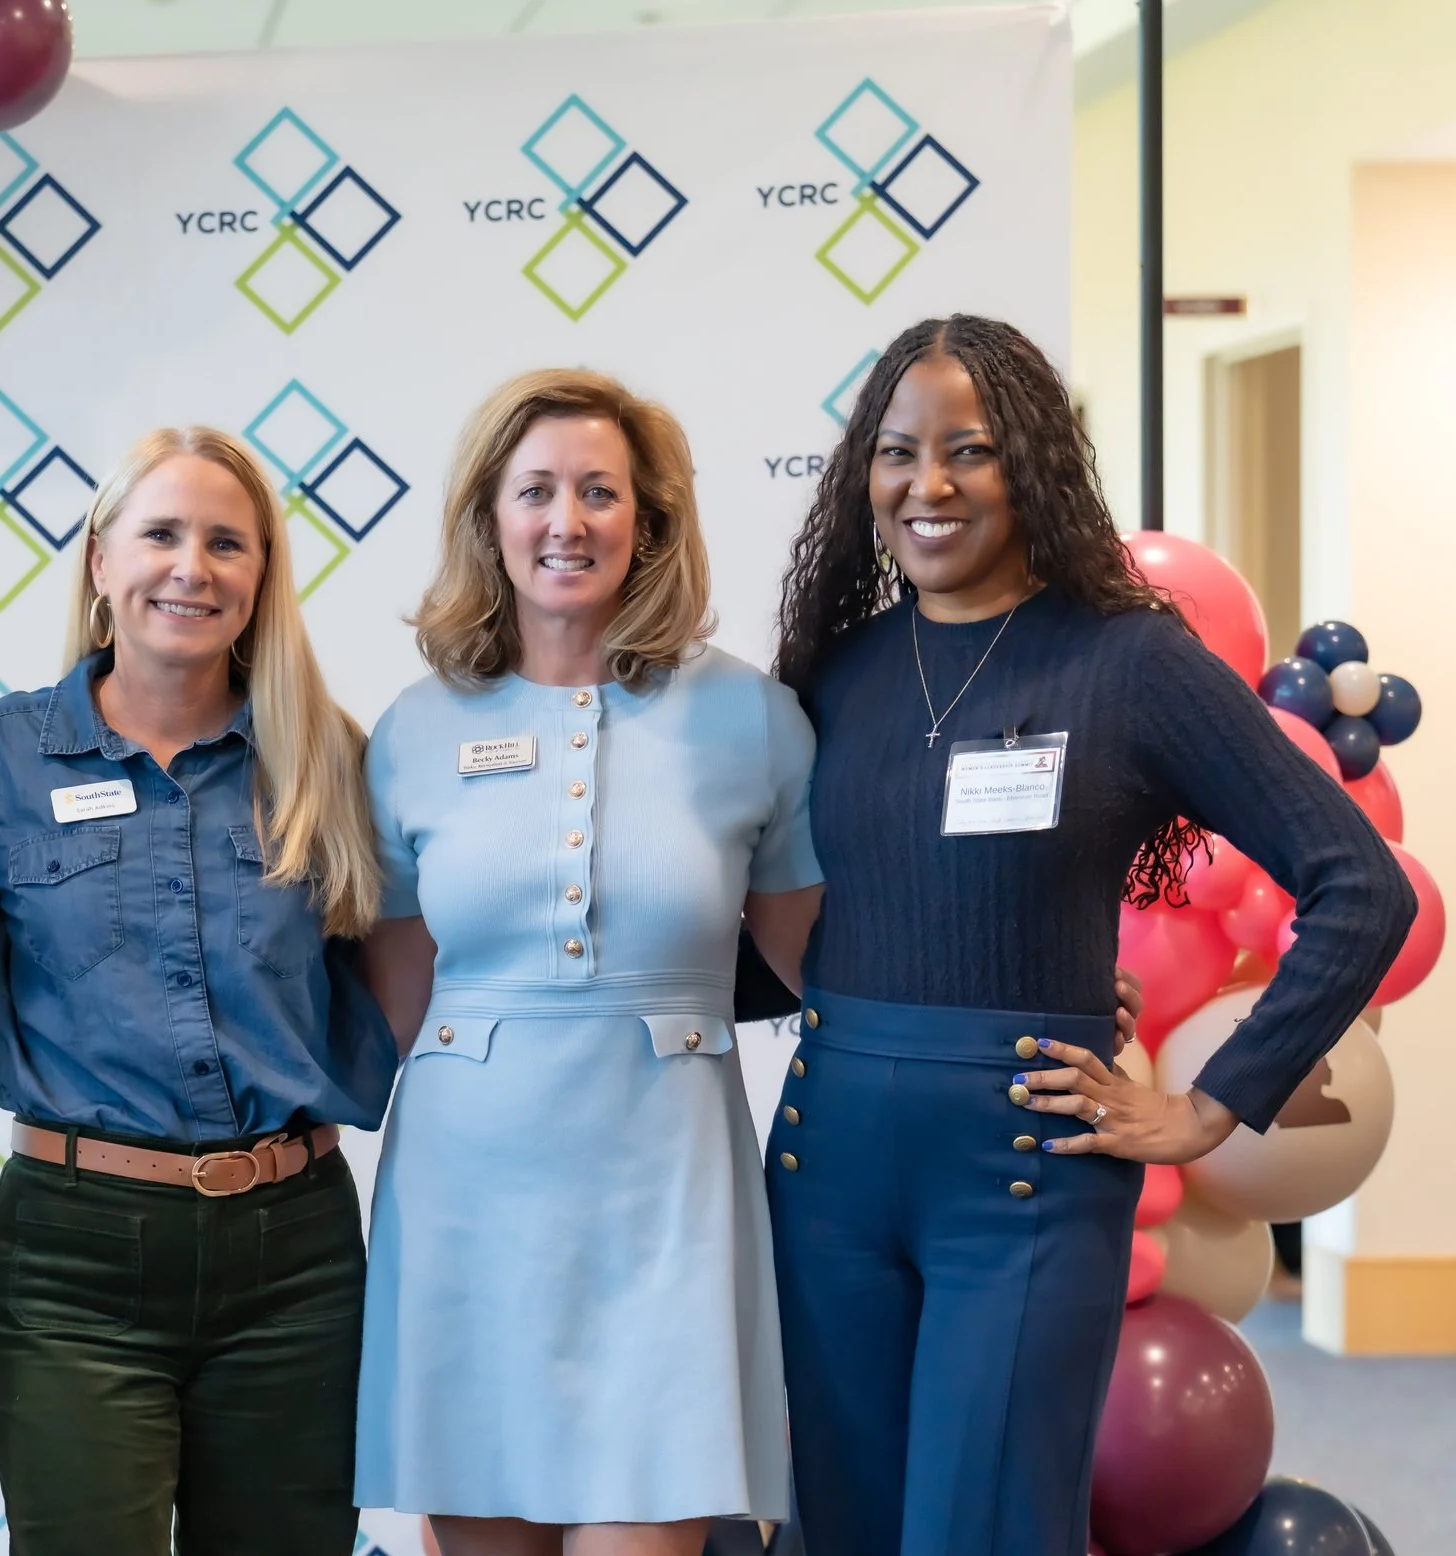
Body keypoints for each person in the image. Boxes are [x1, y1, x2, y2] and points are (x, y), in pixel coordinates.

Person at [768, 314, 1416, 1556]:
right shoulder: (834, 668)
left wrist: (1210, 1102)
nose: (929, 484)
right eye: (897, 452)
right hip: (825, 1169)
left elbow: (1359, 886)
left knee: (986, 1529)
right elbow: (816, 918)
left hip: (1021, 1171)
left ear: (1037, 466)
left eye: (972, 449)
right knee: (839, 1529)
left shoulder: (1130, 662)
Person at [351, 369, 818, 1556]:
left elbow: (828, 968)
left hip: (666, 1196)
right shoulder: (412, 730)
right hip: (465, 1198)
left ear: (648, 522)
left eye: (600, 491)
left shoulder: (754, 720)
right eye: (537, 490)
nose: (567, 520)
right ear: (488, 520)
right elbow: (388, 1006)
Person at [0, 426, 395, 1556]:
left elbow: (385, 978)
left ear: (260, 577)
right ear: (99, 559)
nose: (192, 566)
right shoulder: (3, 758)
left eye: (226, 542)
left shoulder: (324, 754)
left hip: (296, 1257)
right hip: (76, 1256)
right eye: (161, 534)